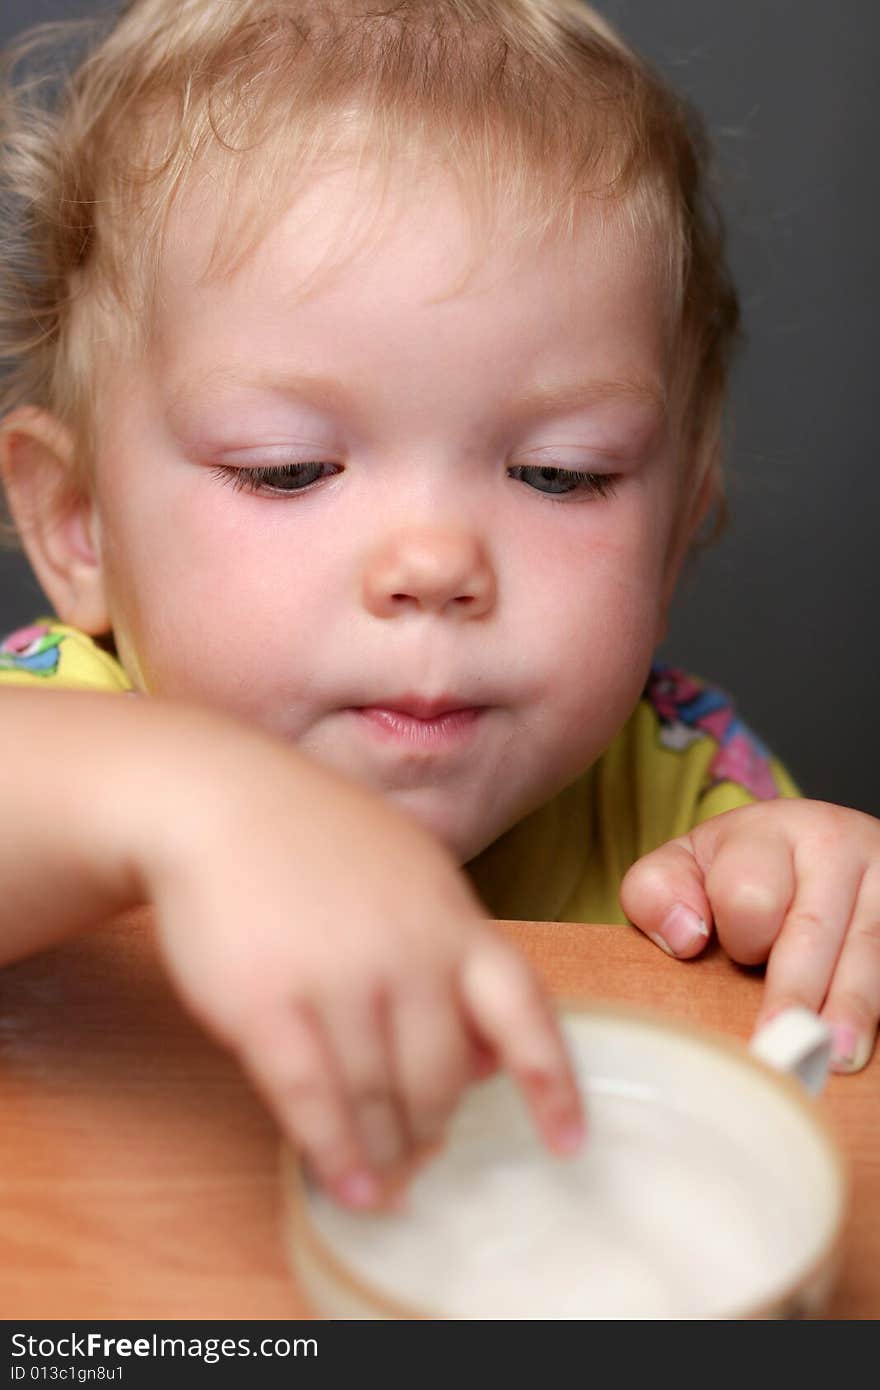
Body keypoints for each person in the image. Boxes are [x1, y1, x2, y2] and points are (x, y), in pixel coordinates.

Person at [1, 0, 877, 1213]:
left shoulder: (682, 797)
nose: (433, 561)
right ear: (79, 524)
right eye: (286, 467)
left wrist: (827, 901)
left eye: (559, 473)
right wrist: (191, 800)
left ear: (677, 533)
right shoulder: (53, 736)